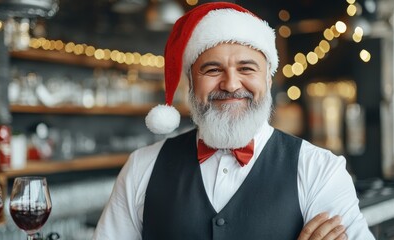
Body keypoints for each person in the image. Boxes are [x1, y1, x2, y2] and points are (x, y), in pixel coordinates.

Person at [92, 2, 375, 240]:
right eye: (212, 69)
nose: (230, 84)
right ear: (190, 83)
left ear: (267, 79)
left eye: (246, 68)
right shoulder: (142, 167)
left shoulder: (320, 171)